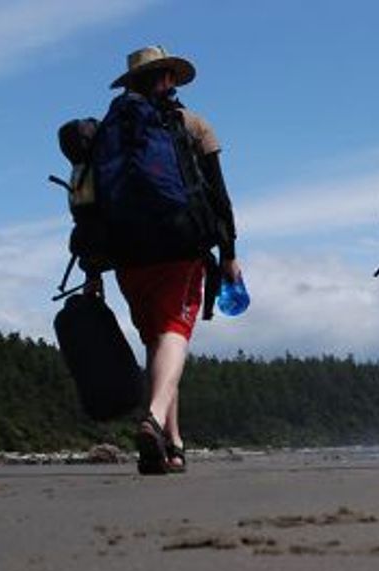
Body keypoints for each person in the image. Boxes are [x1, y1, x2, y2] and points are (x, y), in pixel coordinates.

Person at [86, 46, 242, 474]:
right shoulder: (191, 124)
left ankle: (173, 444)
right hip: (180, 242)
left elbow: (90, 204)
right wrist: (229, 253)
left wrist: (93, 267)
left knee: (156, 341)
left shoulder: (107, 130)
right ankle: (154, 418)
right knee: (175, 333)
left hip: (125, 250)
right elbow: (218, 194)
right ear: (169, 78)